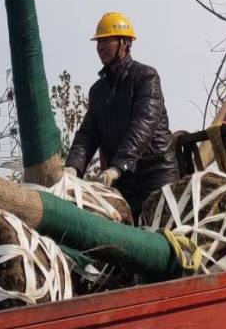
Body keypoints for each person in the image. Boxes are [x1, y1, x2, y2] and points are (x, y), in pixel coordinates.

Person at [65, 12, 177, 219]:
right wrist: (73, 167)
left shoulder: (146, 77)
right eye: (98, 41)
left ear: (125, 43)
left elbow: (143, 125)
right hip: (123, 181)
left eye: (106, 40)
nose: (100, 46)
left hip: (155, 175)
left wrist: (117, 167)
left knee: (166, 236)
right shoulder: (98, 91)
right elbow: (87, 134)